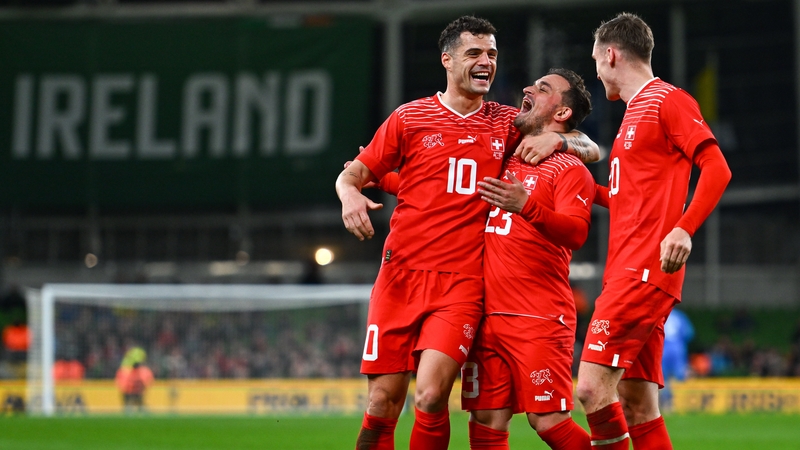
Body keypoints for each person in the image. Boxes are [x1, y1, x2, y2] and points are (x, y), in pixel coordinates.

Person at [336, 15, 599, 450]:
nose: (486, 62)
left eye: (492, 54)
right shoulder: (409, 118)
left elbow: (586, 145)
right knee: (382, 402)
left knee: (431, 394)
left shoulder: (506, 123)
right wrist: (349, 196)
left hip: (461, 285)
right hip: (398, 278)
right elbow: (354, 172)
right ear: (448, 60)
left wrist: (563, 142)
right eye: (475, 53)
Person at [575, 12, 731, 450]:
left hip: (643, 270)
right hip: (627, 268)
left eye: (595, 60)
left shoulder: (668, 100)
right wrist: (575, 182)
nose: (595, 69)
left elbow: (717, 168)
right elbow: (628, 199)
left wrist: (684, 228)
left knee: (589, 388)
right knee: (637, 402)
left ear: (610, 55)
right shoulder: (632, 115)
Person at [461, 68, 595, 450]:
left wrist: (528, 206)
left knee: (548, 420)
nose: (528, 89)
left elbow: (576, 233)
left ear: (562, 113)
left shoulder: (569, 169)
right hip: (485, 316)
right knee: (486, 420)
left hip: (536, 315)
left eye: (543, 88)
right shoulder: (504, 153)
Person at [660, 308, 694, 412]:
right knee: (680, 377)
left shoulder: (660, 314)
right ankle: (687, 404)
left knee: (663, 379)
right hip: (677, 349)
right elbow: (689, 334)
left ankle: (666, 406)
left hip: (662, 349)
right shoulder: (679, 316)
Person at [115, 346, 154, 414]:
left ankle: (135, 410)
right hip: (132, 393)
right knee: (136, 407)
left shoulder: (125, 371)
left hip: (132, 393)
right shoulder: (125, 371)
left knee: (134, 407)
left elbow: (121, 385)